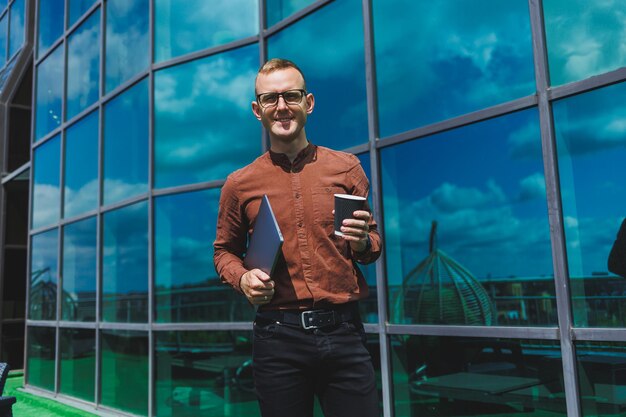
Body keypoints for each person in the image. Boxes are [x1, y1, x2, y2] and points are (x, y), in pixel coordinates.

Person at [213, 58, 381, 417]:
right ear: (257, 110)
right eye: (271, 99)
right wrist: (243, 278)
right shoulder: (239, 184)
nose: (282, 107)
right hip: (278, 339)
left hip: (344, 333)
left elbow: (373, 244)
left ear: (309, 103)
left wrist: (363, 243)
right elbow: (224, 251)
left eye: (291, 95)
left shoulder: (346, 167)